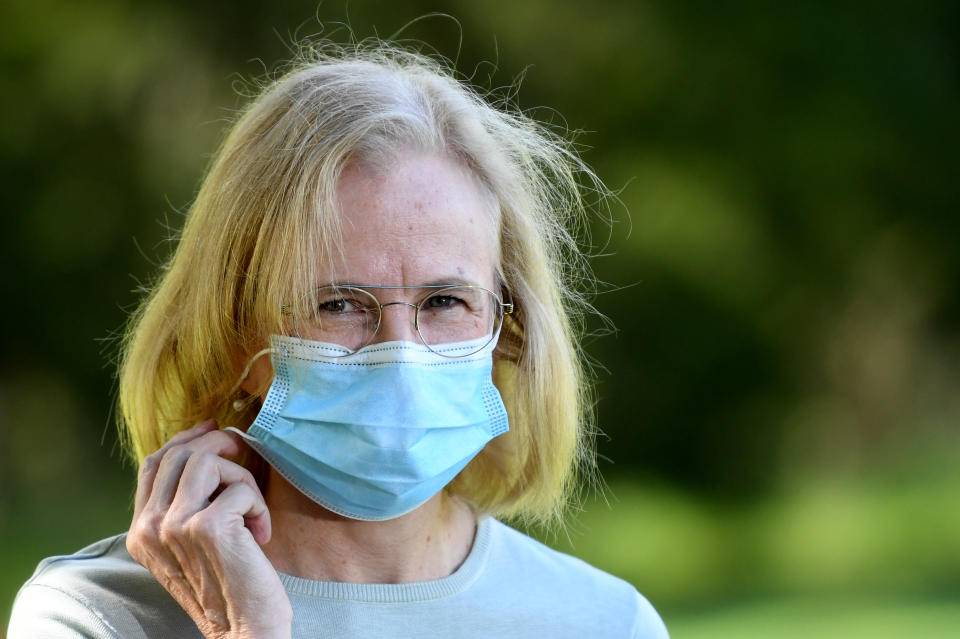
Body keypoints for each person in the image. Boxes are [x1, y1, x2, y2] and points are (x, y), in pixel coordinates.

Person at [8, 43, 668, 639]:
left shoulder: (606, 622)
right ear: (237, 335)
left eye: (445, 300)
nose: (401, 358)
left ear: (508, 328)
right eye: (338, 303)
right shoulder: (93, 617)